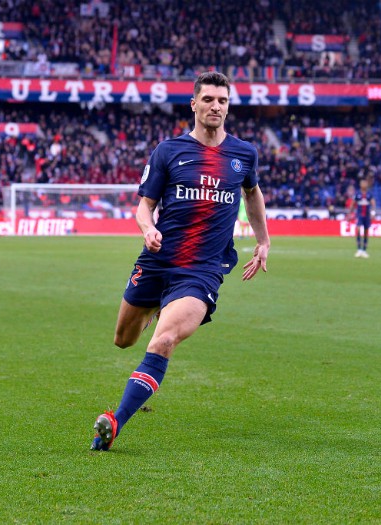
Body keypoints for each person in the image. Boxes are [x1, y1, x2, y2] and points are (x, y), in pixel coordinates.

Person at [91, 71, 270, 451]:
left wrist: (263, 240)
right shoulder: (168, 151)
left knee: (164, 339)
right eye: (208, 99)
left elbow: (253, 194)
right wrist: (147, 229)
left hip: (202, 270)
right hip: (158, 259)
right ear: (194, 104)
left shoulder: (243, 154)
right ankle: (160, 305)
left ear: (228, 106)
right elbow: (144, 207)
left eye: (222, 101)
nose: (215, 107)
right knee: (124, 340)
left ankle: (114, 422)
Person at [349, 177, 375, 258]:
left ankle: (364, 250)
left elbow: (373, 203)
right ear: (360, 185)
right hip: (359, 215)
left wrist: (373, 213)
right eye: (362, 183)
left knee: (366, 231)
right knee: (358, 229)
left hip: (367, 216)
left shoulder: (369, 194)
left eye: (365, 183)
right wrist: (350, 213)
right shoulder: (357, 194)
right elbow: (352, 204)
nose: (364, 185)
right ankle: (359, 249)